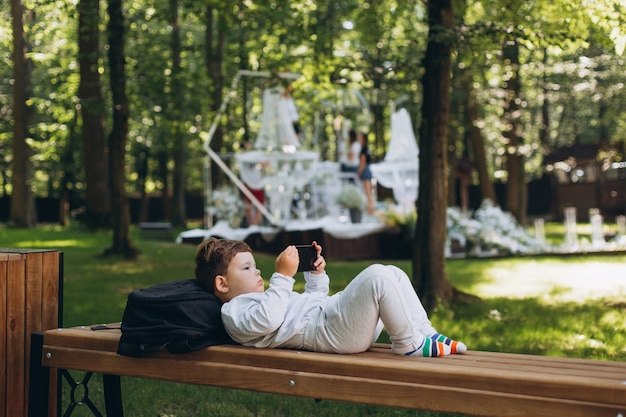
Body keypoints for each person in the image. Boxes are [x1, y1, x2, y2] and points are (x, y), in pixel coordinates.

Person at [194, 238, 467, 357]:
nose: (257, 272)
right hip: (331, 333)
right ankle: (407, 343)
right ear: (222, 283)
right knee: (376, 277)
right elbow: (268, 321)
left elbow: (313, 301)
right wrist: (283, 277)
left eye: (255, 265)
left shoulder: (263, 298)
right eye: (247, 268)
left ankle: (423, 331)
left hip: (332, 318)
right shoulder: (234, 312)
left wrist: (314, 276)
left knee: (391, 272)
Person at [356, 131, 375, 215]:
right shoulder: (365, 148)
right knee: (368, 192)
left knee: (368, 193)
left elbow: (362, 163)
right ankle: (370, 210)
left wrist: (358, 173)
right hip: (367, 170)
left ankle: (370, 211)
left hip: (365, 171)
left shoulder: (363, 149)